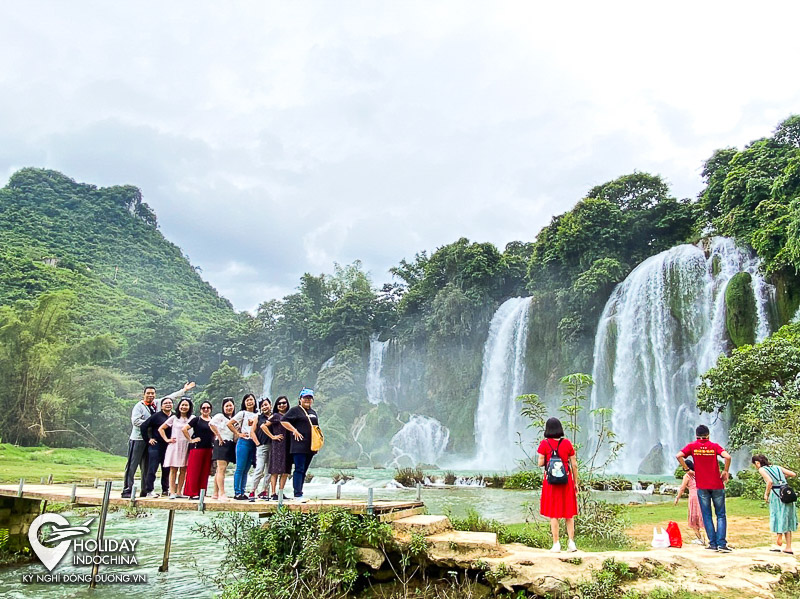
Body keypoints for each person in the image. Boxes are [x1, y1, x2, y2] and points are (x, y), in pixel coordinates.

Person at [122, 381, 195, 498]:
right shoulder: (139, 406)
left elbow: (171, 397)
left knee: (147, 467)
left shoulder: (158, 403)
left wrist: (184, 390)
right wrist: (152, 424)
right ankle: (127, 489)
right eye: (148, 393)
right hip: (139, 438)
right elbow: (135, 422)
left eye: (153, 393)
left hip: (154, 440)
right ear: (144, 394)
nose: (151, 395)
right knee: (132, 465)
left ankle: (145, 491)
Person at [676, 425, 732, 552]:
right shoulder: (714, 446)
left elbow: (678, 455)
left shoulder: (692, 446)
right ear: (708, 435)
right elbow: (727, 457)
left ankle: (712, 544)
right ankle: (722, 544)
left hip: (702, 486)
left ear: (696, 435)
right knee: (721, 515)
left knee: (707, 515)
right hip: (717, 485)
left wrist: (687, 469)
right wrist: (725, 471)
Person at [536, 417, 579, 552]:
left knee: (554, 513)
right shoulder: (567, 443)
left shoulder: (544, 444)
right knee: (568, 513)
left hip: (551, 483)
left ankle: (556, 544)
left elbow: (540, 463)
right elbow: (574, 465)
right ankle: (571, 543)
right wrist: (576, 482)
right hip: (566, 482)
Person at [752, 454, 797, 554]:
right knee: (786, 518)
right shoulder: (777, 467)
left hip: (777, 495)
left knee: (777, 516)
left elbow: (769, 481)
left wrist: (766, 494)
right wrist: (781, 478)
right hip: (787, 493)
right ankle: (788, 547)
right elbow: (793, 474)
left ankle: (778, 541)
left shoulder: (762, 469)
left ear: (757, 463)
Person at [281, 388, 320, 500]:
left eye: (309, 398)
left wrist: (317, 444)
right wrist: (294, 430)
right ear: (300, 399)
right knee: (299, 469)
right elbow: (284, 420)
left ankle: (300, 491)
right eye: (305, 398)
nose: (307, 400)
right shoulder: (295, 410)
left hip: (310, 446)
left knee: (304, 470)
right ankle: (297, 494)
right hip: (298, 445)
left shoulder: (313, 412)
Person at [140, 396, 174, 498]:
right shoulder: (156, 416)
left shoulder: (174, 416)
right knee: (152, 468)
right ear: (162, 406)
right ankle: (149, 490)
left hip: (168, 446)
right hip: (156, 446)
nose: (168, 405)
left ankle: (165, 489)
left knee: (166, 469)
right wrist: (148, 439)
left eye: (170, 403)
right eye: (165, 403)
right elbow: (143, 426)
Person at [227, 393, 258, 501]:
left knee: (246, 469)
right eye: (247, 400)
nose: (249, 402)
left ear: (255, 401)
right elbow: (229, 424)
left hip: (253, 443)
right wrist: (238, 434)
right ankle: (237, 492)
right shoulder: (242, 413)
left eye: (251, 399)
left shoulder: (257, 414)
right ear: (244, 403)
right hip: (243, 442)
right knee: (240, 468)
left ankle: (243, 491)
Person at [160, 398, 193, 499]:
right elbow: (161, 428)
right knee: (173, 469)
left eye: (186, 405)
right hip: (175, 446)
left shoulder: (192, 418)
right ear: (179, 406)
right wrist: (167, 439)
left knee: (184, 469)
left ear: (190, 407)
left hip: (186, 446)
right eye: (182, 405)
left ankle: (179, 492)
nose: (184, 407)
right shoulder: (174, 418)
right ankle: (172, 492)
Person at [182, 401, 215, 499]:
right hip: (197, 448)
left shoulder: (212, 420)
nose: (206, 409)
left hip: (209, 448)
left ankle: (202, 492)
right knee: (194, 471)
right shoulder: (197, 420)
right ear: (200, 409)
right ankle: (192, 493)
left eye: (208, 408)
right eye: (203, 408)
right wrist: (190, 440)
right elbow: (184, 429)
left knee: (205, 472)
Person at [263, 395, 292, 500]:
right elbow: (263, 426)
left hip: (288, 446)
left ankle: (280, 492)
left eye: (284, 403)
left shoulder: (289, 416)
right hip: (277, 445)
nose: (281, 405)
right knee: (275, 470)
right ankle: (273, 493)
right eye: (279, 403)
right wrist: (273, 437)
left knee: (285, 470)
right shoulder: (275, 416)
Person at [209, 397, 237, 500]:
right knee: (221, 469)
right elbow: (211, 424)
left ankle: (215, 493)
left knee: (219, 470)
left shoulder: (233, 419)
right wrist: (219, 437)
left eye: (231, 405)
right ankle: (222, 493)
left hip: (229, 443)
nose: (229, 408)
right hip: (221, 443)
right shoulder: (220, 416)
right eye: (227, 406)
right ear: (223, 407)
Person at [674, 458, 705, 545]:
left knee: (693, 517)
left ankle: (700, 539)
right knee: (702, 515)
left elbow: (682, 488)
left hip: (694, 497)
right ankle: (707, 537)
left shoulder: (687, 476)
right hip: (702, 495)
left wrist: (677, 498)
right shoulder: (698, 474)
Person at [249, 398, 272, 501]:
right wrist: (257, 443)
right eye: (262, 406)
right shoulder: (258, 417)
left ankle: (265, 491)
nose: (264, 407)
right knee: (259, 468)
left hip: (273, 446)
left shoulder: (274, 417)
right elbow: (252, 432)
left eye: (266, 405)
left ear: (270, 405)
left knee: (269, 470)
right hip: (262, 446)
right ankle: (252, 490)